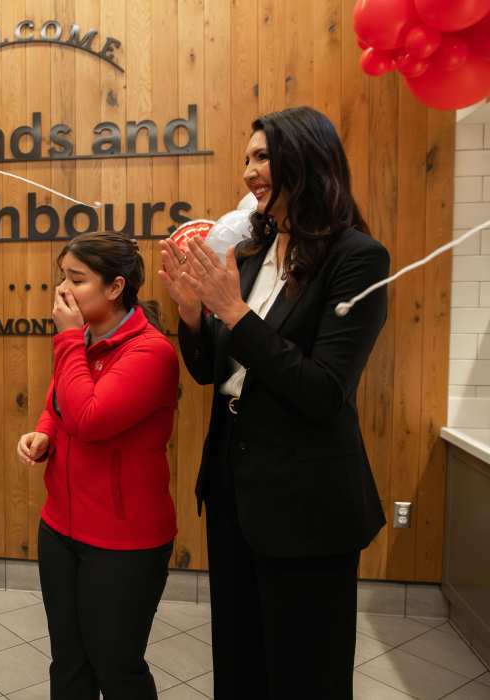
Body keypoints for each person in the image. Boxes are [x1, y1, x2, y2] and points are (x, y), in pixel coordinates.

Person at [159, 106, 389, 698]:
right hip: (236, 488)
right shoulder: (257, 251)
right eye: (247, 159)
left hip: (306, 504)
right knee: (238, 663)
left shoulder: (357, 258)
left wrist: (233, 313)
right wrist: (191, 312)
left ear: (307, 159)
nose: (250, 172)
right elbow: (214, 371)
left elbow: (322, 391)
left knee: (304, 672)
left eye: (262, 157)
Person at [17, 231, 179, 700]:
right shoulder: (83, 339)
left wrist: (67, 339)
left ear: (115, 288)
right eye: (62, 279)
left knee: (116, 665)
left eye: (77, 280)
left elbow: (89, 419)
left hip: (123, 543)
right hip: (61, 528)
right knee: (68, 663)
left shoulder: (150, 353)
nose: (63, 291)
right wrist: (45, 431)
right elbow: (62, 401)